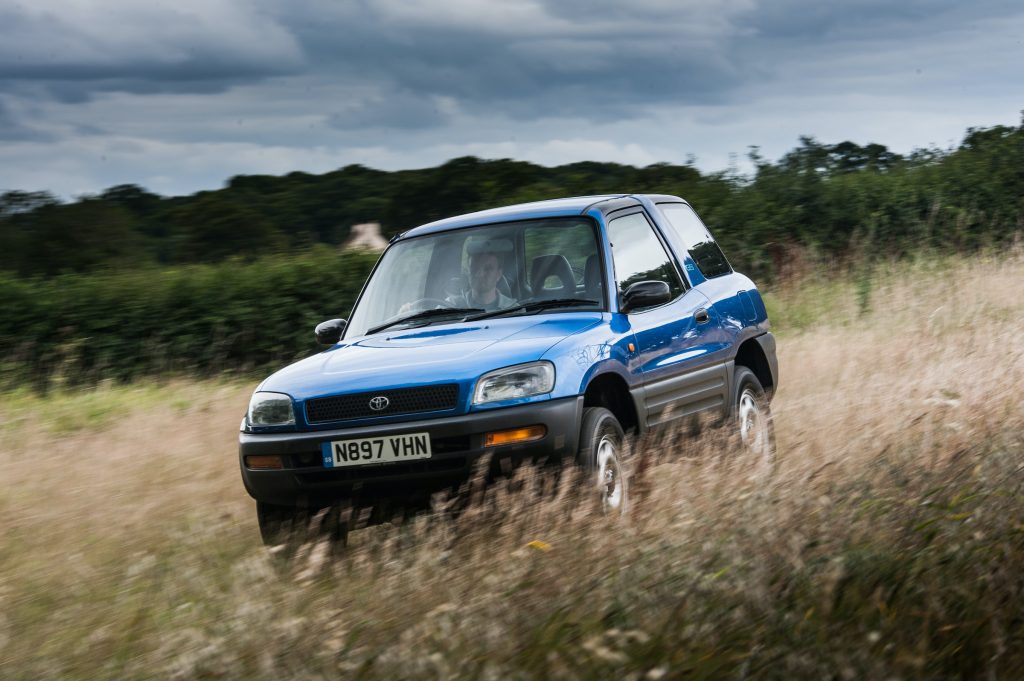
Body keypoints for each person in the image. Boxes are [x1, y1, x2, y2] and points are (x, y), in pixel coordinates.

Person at [447, 242, 515, 312]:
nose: (479, 274)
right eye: (474, 267)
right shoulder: (451, 306)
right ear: (468, 270)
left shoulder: (513, 310)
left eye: (488, 269)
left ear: (498, 274)